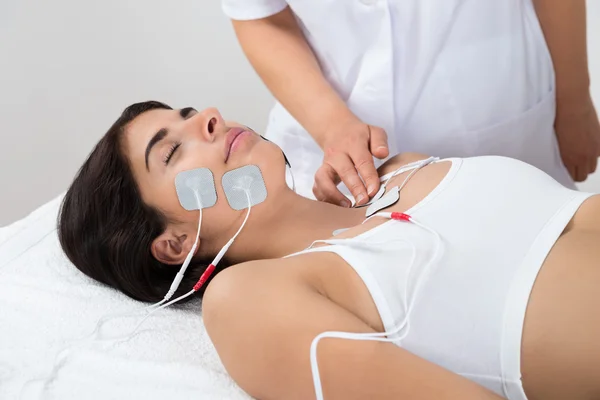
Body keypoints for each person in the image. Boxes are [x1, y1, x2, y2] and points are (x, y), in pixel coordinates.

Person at [58, 102, 600, 400]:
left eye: (189, 112)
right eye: (172, 150)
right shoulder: (247, 298)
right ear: (175, 244)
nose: (209, 118)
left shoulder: (400, 167)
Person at [221, 0, 600, 206]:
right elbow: (259, 14)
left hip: (501, 124)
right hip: (334, 159)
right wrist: (330, 123)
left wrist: (575, 101)